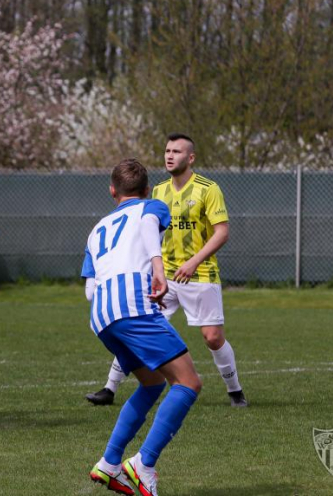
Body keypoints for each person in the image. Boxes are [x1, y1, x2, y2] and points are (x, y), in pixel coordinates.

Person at [86, 133, 248, 409]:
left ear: (191, 157)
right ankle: (109, 388)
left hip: (200, 274)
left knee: (212, 337)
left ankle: (235, 391)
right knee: (138, 324)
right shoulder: (157, 192)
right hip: (163, 277)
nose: (170, 155)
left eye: (177, 151)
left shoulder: (208, 189)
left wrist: (194, 261)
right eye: (167, 151)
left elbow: (222, 233)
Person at [85, 158, 201, 496]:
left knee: (151, 384)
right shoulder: (152, 207)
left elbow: (91, 285)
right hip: (132, 307)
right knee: (188, 382)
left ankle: (109, 463)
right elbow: (149, 225)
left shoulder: (96, 230)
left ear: (112, 190)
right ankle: (143, 464)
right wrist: (157, 270)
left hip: (102, 315)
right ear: (147, 189)